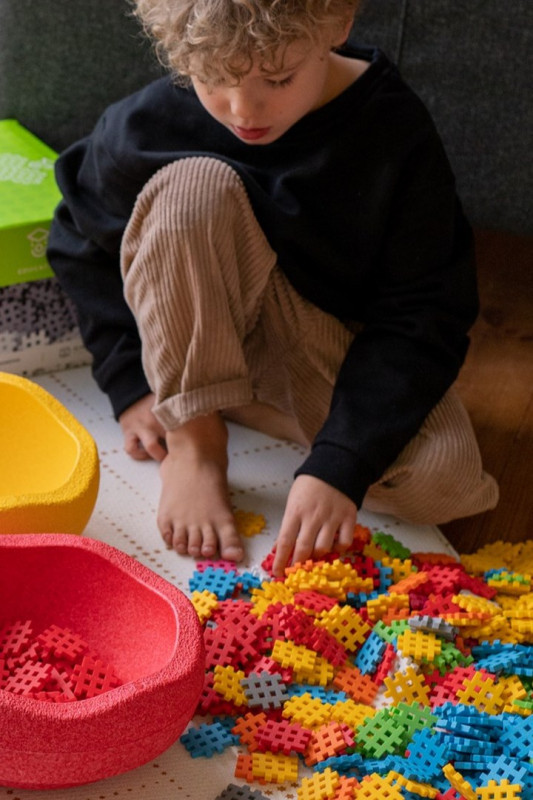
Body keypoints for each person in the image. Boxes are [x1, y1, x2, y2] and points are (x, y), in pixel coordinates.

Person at [48, 0, 498, 577]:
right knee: (191, 191)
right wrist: (129, 382)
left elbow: (425, 311)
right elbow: (77, 234)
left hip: (313, 339)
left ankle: (237, 399)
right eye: (213, 78)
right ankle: (196, 436)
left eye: (279, 79)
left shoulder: (392, 129)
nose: (243, 110)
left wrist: (338, 462)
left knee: (445, 479)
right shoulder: (151, 121)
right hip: (197, 319)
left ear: (338, 24)